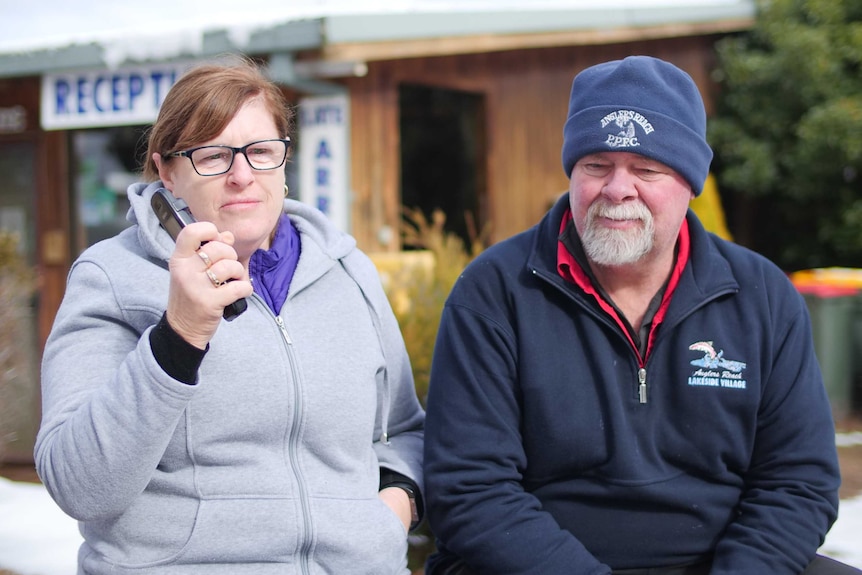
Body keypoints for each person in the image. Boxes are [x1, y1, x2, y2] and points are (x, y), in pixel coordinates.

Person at [423, 55, 859, 575]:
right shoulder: (496, 290)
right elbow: (470, 489)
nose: (616, 189)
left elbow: (798, 481)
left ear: (690, 185)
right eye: (595, 166)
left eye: (646, 169)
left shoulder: (761, 295)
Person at [36, 58, 424, 575]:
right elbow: (77, 484)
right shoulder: (112, 277)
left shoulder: (347, 270)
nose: (242, 176)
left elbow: (404, 429)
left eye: (261, 152)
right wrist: (179, 336)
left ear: (284, 161)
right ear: (168, 172)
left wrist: (394, 510)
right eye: (213, 156)